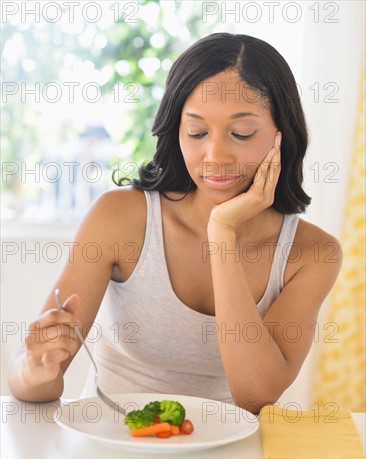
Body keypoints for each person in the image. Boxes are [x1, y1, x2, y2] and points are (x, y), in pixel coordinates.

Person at [8, 33, 342, 414]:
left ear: (282, 137)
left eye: (241, 133)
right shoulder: (119, 218)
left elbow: (255, 396)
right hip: (113, 447)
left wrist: (222, 234)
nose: (214, 155)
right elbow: (31, 386)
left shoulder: (312, 253)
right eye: (196, 132)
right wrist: (35, 369)